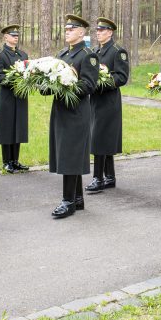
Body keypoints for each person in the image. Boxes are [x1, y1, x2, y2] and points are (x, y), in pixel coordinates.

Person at [45, 14, 99, 218]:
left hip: (76, 112)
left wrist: (66, 85)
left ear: (81, 32)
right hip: (61, 111)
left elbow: (89, 85)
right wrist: (45, 85)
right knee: (66, 153)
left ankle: (68, 201)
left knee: (70, 154)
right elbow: (53, 78)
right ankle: (77, 198)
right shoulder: (63, 54)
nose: (67, 31)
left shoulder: (88, 56)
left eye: (71, 29)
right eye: (66, 29)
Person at [87, 17, 130, 192]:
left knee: (99, 138)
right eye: (97, 30)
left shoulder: (118, 51)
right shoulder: (96, 51)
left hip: (109, 101)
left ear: (110, 32)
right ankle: (110, 177)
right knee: (101, 138)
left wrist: (103, 80)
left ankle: (98, 178)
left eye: (102, 30)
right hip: (96, 101)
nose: (98, 33)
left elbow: (121, 77)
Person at [0, 24, 30, 174]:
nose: (15, 37)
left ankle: (15, 160)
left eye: (17, 35)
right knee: (7, 127)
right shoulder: (0, 54)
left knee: (19, 127)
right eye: (12, 35)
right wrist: (15, 80)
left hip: (21, 96)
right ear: (5, 37)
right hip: (8, 96)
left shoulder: (23, 55)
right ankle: (7, 161)